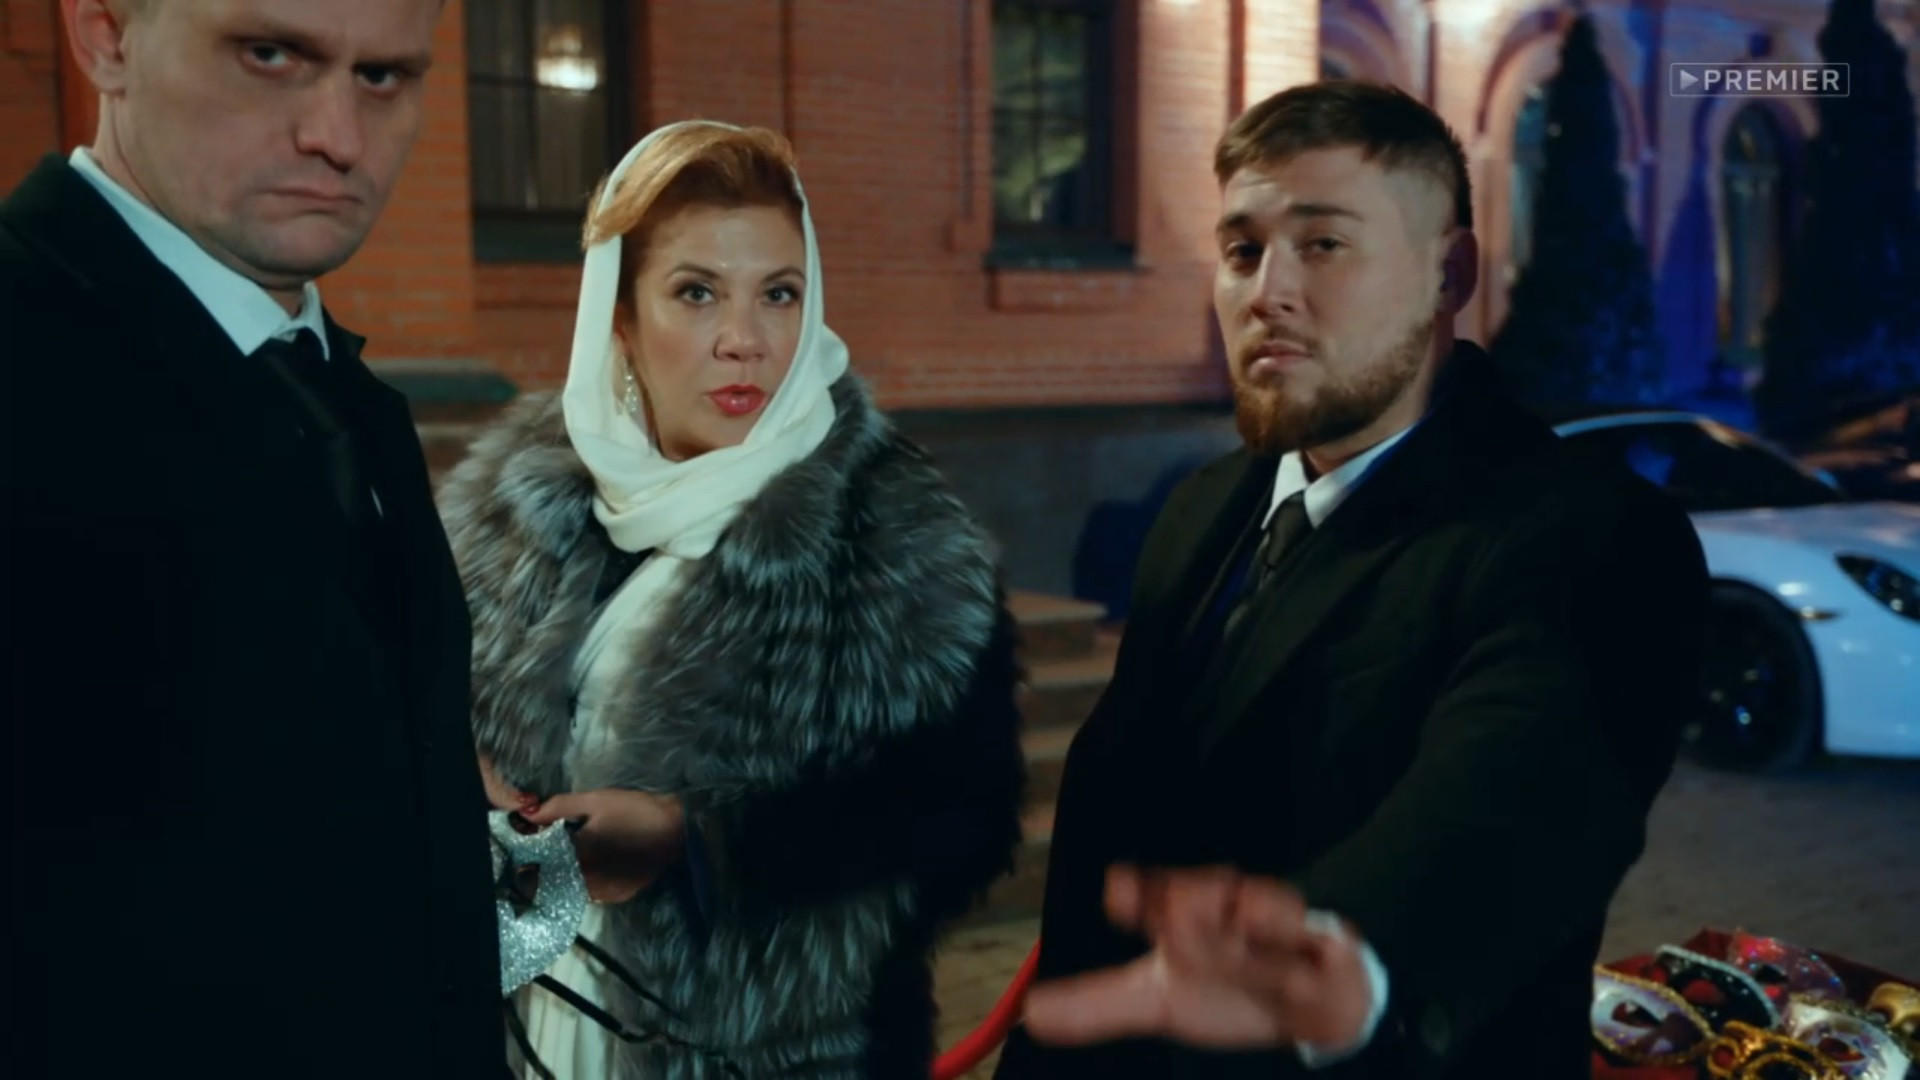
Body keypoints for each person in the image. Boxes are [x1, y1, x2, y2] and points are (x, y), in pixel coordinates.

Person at [994, 79, 1708, 1080]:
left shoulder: (1586, 533)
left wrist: (1361, 954)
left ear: (1448, 273)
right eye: (1242, 250)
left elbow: (1521, 791)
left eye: (1323, 243)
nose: (1267, 291)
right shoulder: (1203, 506)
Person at [435, 119, 1028, 1078]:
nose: (744, 341)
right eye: (696, 292)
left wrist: (698, 842)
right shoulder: (509, 513)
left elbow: (965, 823)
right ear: (619, 318)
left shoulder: (892, 535)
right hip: (526, 1032)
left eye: (778, 294)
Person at [1, 1, 506, 1076]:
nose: (338, 136)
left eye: (383, 76)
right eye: (270, 54)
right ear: (104, 35)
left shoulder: (341, 395)